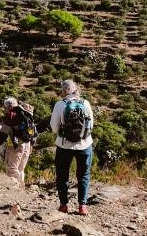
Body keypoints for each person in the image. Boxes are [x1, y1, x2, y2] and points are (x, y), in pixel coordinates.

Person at [50, 79, 94, 216]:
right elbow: (90, 125)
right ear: (76, 89)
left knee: (62, 175)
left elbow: (54, 128)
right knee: (84, 175)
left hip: (64, 145)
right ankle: (82, 206)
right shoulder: (85, 103)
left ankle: (64, 205)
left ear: (63, 91)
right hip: (85, 144)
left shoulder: (60, 104)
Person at [0, 97, 33, 188]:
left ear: (8, 106)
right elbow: (32, 130)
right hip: (27, 144)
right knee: (21, 169)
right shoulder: (26, 113)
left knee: (11, 169)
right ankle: (21, 188)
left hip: (16, 145)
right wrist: (32, 143)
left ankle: (13, 191)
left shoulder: (12, 115)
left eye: (6, 107)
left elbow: (3, 133)